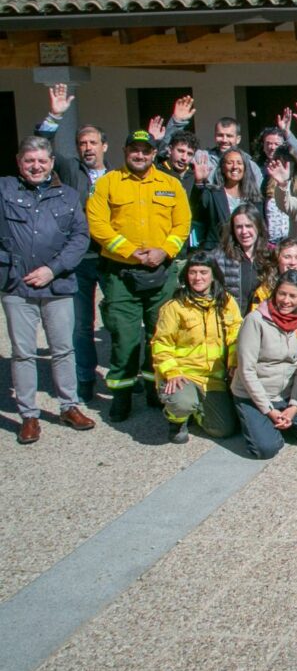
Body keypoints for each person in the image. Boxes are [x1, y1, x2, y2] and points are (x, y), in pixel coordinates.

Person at [87, 130, 192, 421]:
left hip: (161, 270)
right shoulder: (108, 183)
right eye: (135, 150)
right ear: (124, 151)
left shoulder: (170, 184)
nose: (140, 155)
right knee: (125, 337)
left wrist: (165, 251)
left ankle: (153, 389)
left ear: (154, 153)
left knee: (158, 334)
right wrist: (131, 251)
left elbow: (182, 224)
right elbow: (97, 223)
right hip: (121, 273)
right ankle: (121, 395)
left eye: (146, 151)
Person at [1, 136, 95, 443]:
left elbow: (80, 238)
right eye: (30, 161)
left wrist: (51, 269)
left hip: (57, 284)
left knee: (62, 348)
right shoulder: (4, 190)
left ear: (51, 163)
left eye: (42, 161)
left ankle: (69, 406)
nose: (36, 166)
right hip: (17, 286)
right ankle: (29, 415)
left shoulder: (67, 196)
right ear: (19, 162)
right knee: (23, 352)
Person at [34, 85, 110, 401]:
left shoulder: (117, 177)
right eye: (82, 144)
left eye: (93, 142)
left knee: (116, 322)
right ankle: (84, 380)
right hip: (77, 261)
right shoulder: (69, 170)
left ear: (104, 146)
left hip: (109, 259)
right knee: (81, 326)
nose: (87, 148)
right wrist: (55, 115)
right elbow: (42, 144)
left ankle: (123, 381)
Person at [231, 271, 297, 459]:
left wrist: (294, 406)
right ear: (274, 293)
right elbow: (246, 370)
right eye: (282, 294)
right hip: (254, 394)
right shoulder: (255, 320)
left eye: (293, 296)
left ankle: (277, 423)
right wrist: (269, 410)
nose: (286, 300)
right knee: (266, 449)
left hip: (285, 393)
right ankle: (259, 421)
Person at [151, 252, 244, 443]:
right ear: (186, 275)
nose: (198, 278)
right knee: (182, 403)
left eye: (203, 272)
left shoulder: (226, 302)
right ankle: (177, 419)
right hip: (183, 375)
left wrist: (234, 362)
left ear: (213, 275)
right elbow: (161, 343)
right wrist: (171, 371)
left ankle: (198, 412)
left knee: (223, 430)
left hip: (213, 378)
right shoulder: (175, 307)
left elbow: (236, 334)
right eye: (193, 272)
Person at [214, 204, 270, 315]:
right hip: (231, 324)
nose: (244, 232)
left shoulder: (268, 257)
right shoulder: (220, 258)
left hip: (260, 323)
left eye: (249, 226)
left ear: (258, 227)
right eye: (239, 227)